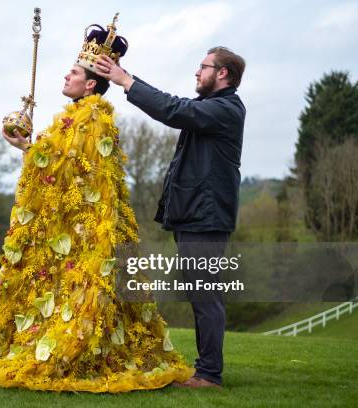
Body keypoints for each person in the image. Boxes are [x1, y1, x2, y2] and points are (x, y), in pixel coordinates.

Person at [0, 17, 193, 393]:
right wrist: (31, 146)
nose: (65, 78)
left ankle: (87, 353)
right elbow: (57, 162)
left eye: (72, 73)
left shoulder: (94, 115)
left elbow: (73, 165)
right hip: (75, 225)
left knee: (91, 295)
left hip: (90, 228)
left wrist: (30, 148)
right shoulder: (73, 116)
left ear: (91, 83)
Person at [95, 46, 246, 388]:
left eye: (204, 66)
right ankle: (206, 369)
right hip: (195, 218)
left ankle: (209, 375)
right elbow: (175, 106)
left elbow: (173, 109)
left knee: (205, 295)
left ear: (222, 74)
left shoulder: (226, 109)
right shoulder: (211, 108)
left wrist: (126, 81)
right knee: (200, 294)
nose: (197, 72)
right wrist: (126, 78)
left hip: (205, 220)